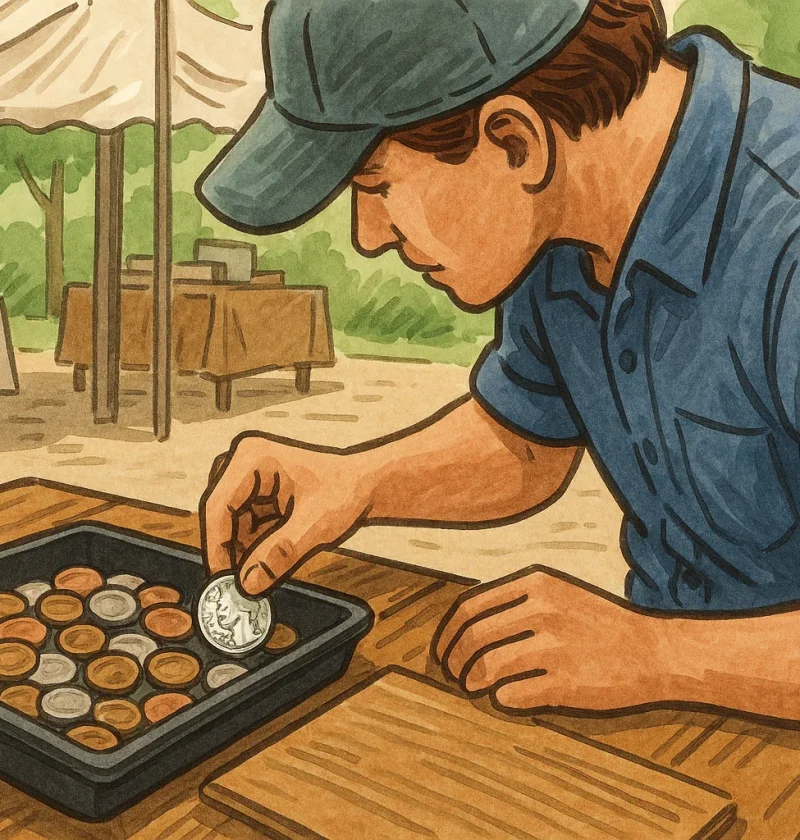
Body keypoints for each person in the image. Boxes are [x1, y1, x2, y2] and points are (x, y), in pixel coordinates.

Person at [196, 0, 800, 719]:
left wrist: (656, 655)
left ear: (515, 142)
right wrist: (356, 481)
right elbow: (526, 443)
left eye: (375, 185)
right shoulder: (557, 211)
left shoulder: (785, 230)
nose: (367, 236)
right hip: (671, 706)